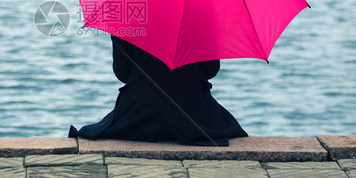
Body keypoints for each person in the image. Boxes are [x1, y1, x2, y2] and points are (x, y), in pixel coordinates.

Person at [68, 35, 248, 146]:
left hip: (137, 116)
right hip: (195, 117)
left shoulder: (130, 9)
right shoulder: (203, 8)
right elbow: (210, 70)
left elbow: (122, 73)